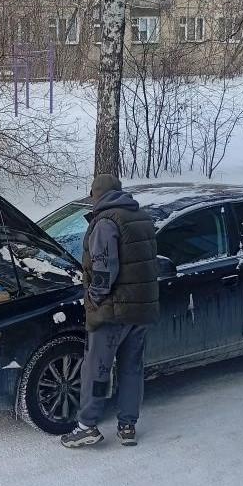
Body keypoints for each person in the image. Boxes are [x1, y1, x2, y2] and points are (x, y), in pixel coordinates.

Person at [61, 174, 159, 448]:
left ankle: (87, 425)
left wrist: (93, 298)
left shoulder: (105, 223)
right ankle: (127, 426)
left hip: (113, 310)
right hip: (141, 308)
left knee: (97, 369)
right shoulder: (141, 217)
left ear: (98, 194)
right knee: (131, 368)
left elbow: (105, 269)